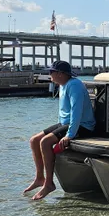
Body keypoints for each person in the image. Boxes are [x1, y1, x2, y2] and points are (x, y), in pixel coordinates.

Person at [24, 60, 96, 200]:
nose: (49, 74)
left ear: (61, 74)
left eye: (51, 72)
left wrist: (69, 135)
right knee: (34, 140)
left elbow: (77, 111)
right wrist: (57, 130)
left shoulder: (74, 85)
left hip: (83, 125)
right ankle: (40, 178)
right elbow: (63, 112)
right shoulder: (62, 85)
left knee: (45, 142)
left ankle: (49, 183)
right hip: (65, 123)